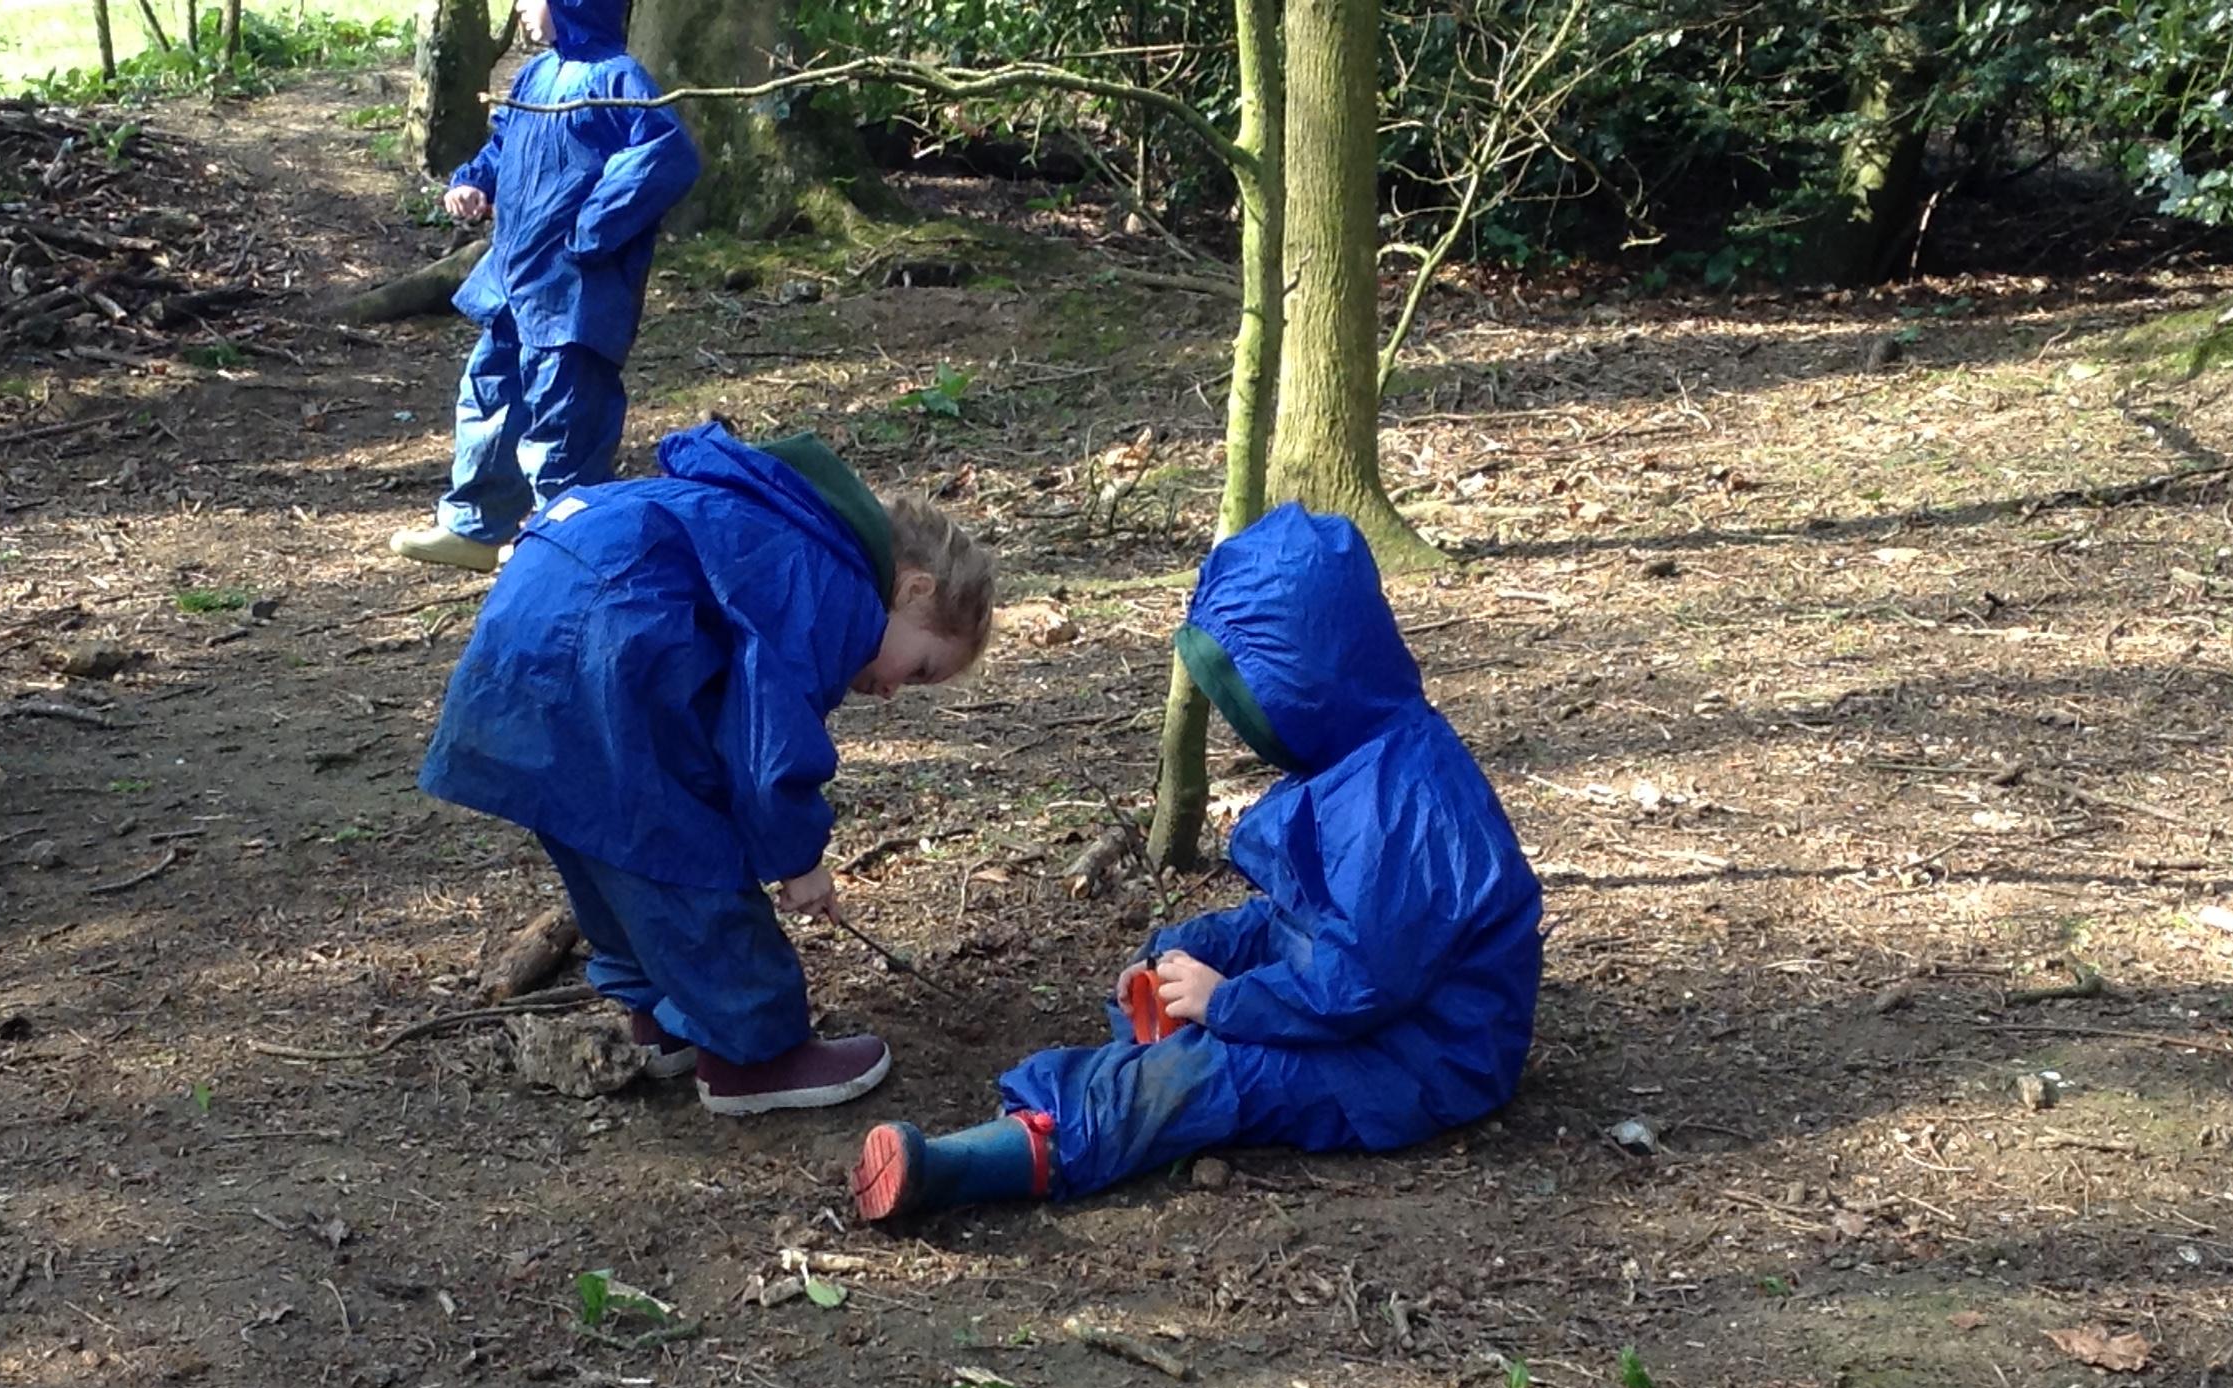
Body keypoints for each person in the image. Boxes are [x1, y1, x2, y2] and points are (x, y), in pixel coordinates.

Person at [850, 504, 1541, 1218]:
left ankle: (983, 1162)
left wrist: (1226, 1001)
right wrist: (1189, 951)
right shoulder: (1356, 761)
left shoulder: (1405, 804)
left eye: (1246, 695)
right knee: (1187, 1026)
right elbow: (1299, 920)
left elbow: (1361, 982)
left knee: (1213, 1075)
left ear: (1304, 679)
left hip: (1422, 1058)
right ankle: (1049, 1116)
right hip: (1377, 1021)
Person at [418, 421, 997, 1113]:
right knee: (689, 854)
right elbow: (769, 745)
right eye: (922, 667)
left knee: (604, 844)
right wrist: (799, 859)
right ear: (914, 591)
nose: (895, 690)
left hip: (535, 621)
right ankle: (754, 1058)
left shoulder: (772, 523)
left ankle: (660, 1016)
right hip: (611, 646)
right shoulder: (834, 586)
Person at [388, 0, 701, 573]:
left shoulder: (617, 79)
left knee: (564, 416)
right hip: (514, 279)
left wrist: (593, 229)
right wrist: (474, 183)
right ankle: (476, 527)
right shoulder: (536, 75)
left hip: (577, 293)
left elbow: (666, 155)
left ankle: (567, 543)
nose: (519, 7)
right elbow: (503, 142)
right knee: (488, 394)